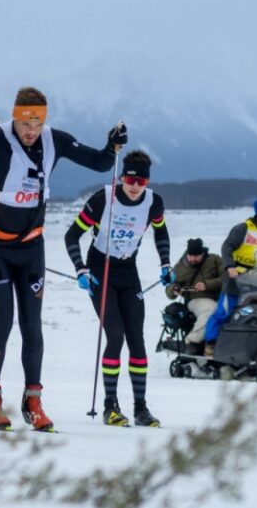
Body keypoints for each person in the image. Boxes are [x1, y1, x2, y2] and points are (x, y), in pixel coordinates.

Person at [0, 86, 126, 431]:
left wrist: (113, 144)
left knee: (33, 327)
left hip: (31, 249)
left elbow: (101, 162)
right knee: (2, 323)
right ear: (15, 117)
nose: (31, 132)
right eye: (25, 124)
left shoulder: (55, 140)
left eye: (37, 124)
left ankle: (33, 401)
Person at [64, 150, 173, 427]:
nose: (136, 187)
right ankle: (109, 406)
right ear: (122, 177)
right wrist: (81, 269)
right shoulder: (104, 199)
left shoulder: (153, 203)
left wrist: (165, 264)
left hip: (128, 270)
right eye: (131, 180)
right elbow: (72, 235)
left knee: (137, 339)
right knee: (115, 335)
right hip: (100, 269)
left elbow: (160, 231)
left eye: (142, 181)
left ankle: (140, 408)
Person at [203, 197, 257, 357]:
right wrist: (230, 266)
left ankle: (255, 345)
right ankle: (210, 343)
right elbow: (227, 247)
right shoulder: (243, 228)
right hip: (235, 277)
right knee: (225, 311)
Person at [164, 238, 222, 354]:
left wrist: (207, 285)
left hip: (220, 297)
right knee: (211, 309)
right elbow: (169, 290)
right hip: (195, 299)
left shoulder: (214, 260)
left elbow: (226, 278)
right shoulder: (180, 267)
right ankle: (191, 342)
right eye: (190, 256)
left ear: (203, 253)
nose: (193, 259)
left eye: (196, 256)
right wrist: (174, 289)